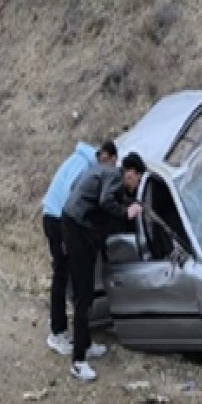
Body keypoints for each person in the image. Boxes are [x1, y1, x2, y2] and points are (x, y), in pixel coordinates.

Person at [60, 150, 146, 382]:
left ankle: (86, 344)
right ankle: (78, 362)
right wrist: (126, 212)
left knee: (85, 291)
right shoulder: (115, 178)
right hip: (77, 228)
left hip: (73, 223)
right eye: (137, 179)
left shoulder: (106, 172)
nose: (135, 184)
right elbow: (106, 201)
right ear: (131, 173)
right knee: (84, 294)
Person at [40, 140, 102, 356]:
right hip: (57, 220)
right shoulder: (84, 166)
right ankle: (57, 332)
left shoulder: (82, 160)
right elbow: (70, 200)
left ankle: (82, 339)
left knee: (74, 278)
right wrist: (67, 237)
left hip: (58, 218)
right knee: (61, 274)